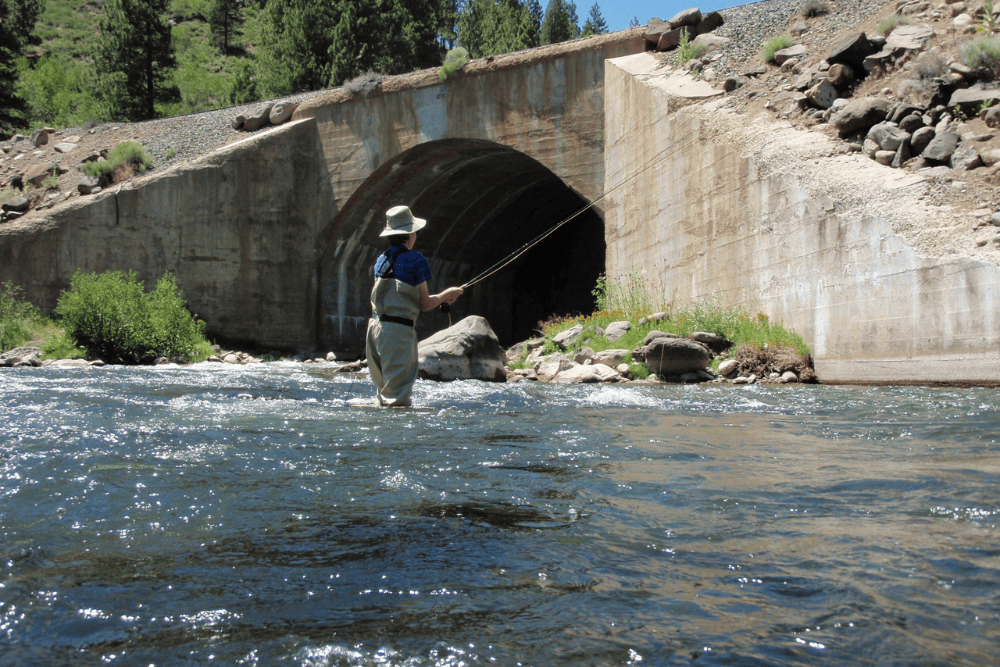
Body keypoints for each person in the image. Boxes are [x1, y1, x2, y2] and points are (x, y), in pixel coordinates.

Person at [365, 205, 464, 407]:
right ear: (410, 235)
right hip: (398, 333)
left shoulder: (381, 259)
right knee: (398, 398)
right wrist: (447, 294)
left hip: (375, 330)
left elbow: (392, 299)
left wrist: (443, 297)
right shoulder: (416, 260)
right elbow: (425, 304)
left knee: (384, 395)